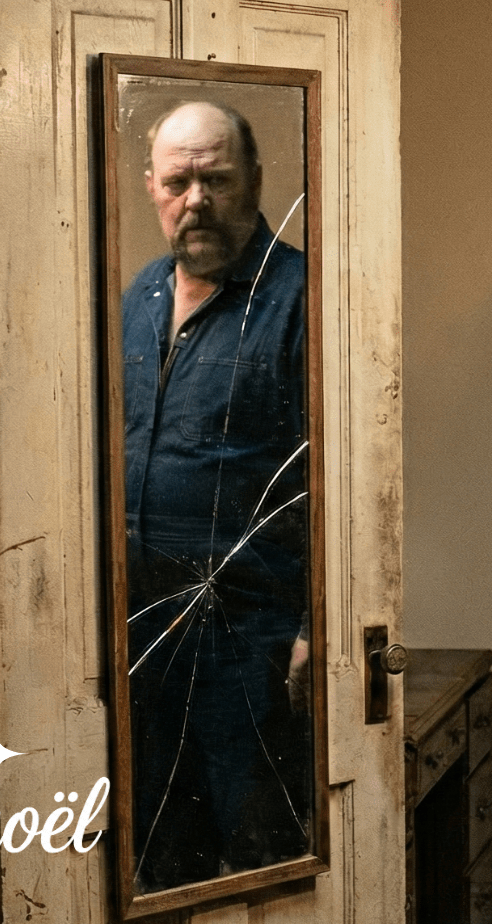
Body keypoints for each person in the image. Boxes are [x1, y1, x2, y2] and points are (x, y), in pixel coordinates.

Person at [122, 100, 312, 890]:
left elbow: (344, 482)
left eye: (216, 178)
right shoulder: (141, 297)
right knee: (160, 864)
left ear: (256, 181)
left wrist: (317, 630)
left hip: (254, 651)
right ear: (151, 189)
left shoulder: (304, 296)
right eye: (178, 181)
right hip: (142, 642)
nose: (195, 199)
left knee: (270, 864)